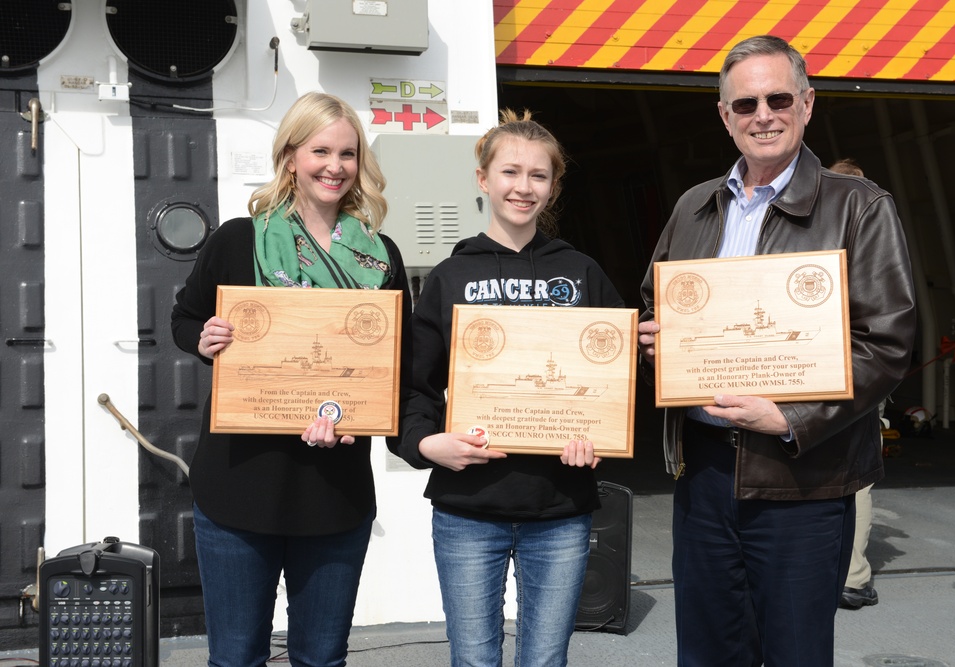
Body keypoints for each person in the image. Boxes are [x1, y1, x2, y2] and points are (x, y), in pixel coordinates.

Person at [637, 36, 916, 666]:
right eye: (745, 104)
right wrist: (657, 343)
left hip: (803, 480)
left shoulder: (860, 207)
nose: (762, 114)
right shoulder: (694, 206)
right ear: (725, 116)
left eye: (778, 97)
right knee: (708, 654)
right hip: (705, 475)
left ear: (808, 104)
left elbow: (886, 343)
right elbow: (658, 303)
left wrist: (792, 419)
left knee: (795, 654)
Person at [171, 91, 412, 667]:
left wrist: (367, 413)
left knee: (322, 659)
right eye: (320, 150)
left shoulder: (382, 256)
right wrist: (203, 339)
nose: (335, 166)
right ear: (290, 158)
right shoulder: (237, 238)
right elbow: (184, 317)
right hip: (239, 486)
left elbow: (391, 365)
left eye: (348, 153)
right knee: (234, 659)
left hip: (335, 489)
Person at [388, 109, 624, 667]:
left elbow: (617, 379)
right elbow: (413, 387)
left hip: (561, 506)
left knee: (545, 662)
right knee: (474, 661)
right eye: (510, 172)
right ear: (482, 179)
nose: (523, 187)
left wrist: (600, 438)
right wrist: (425, 445)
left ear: (553, 186)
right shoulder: (449, 276)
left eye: (538, 176)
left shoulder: (582, 272)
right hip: (469, 508)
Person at [828, 157, 880, 610]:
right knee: (856, 475)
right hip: (858, 371)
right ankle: (854, 575)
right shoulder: (872, 237)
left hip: (823, 366)